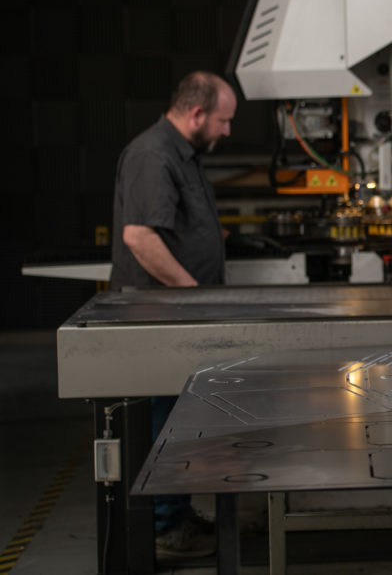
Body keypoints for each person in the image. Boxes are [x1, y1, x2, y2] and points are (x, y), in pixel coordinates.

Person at [110, 70, 237, 558]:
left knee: (181, 417)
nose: (227, 132)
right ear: (197, 112)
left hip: (179, 314)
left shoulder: (181, 152)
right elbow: (139, 237)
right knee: (165, 419)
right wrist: (192, 294)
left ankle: (177, 513)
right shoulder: (152, 154)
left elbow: (174, 224)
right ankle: (164, 528)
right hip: (162, 318)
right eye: (223, 121)